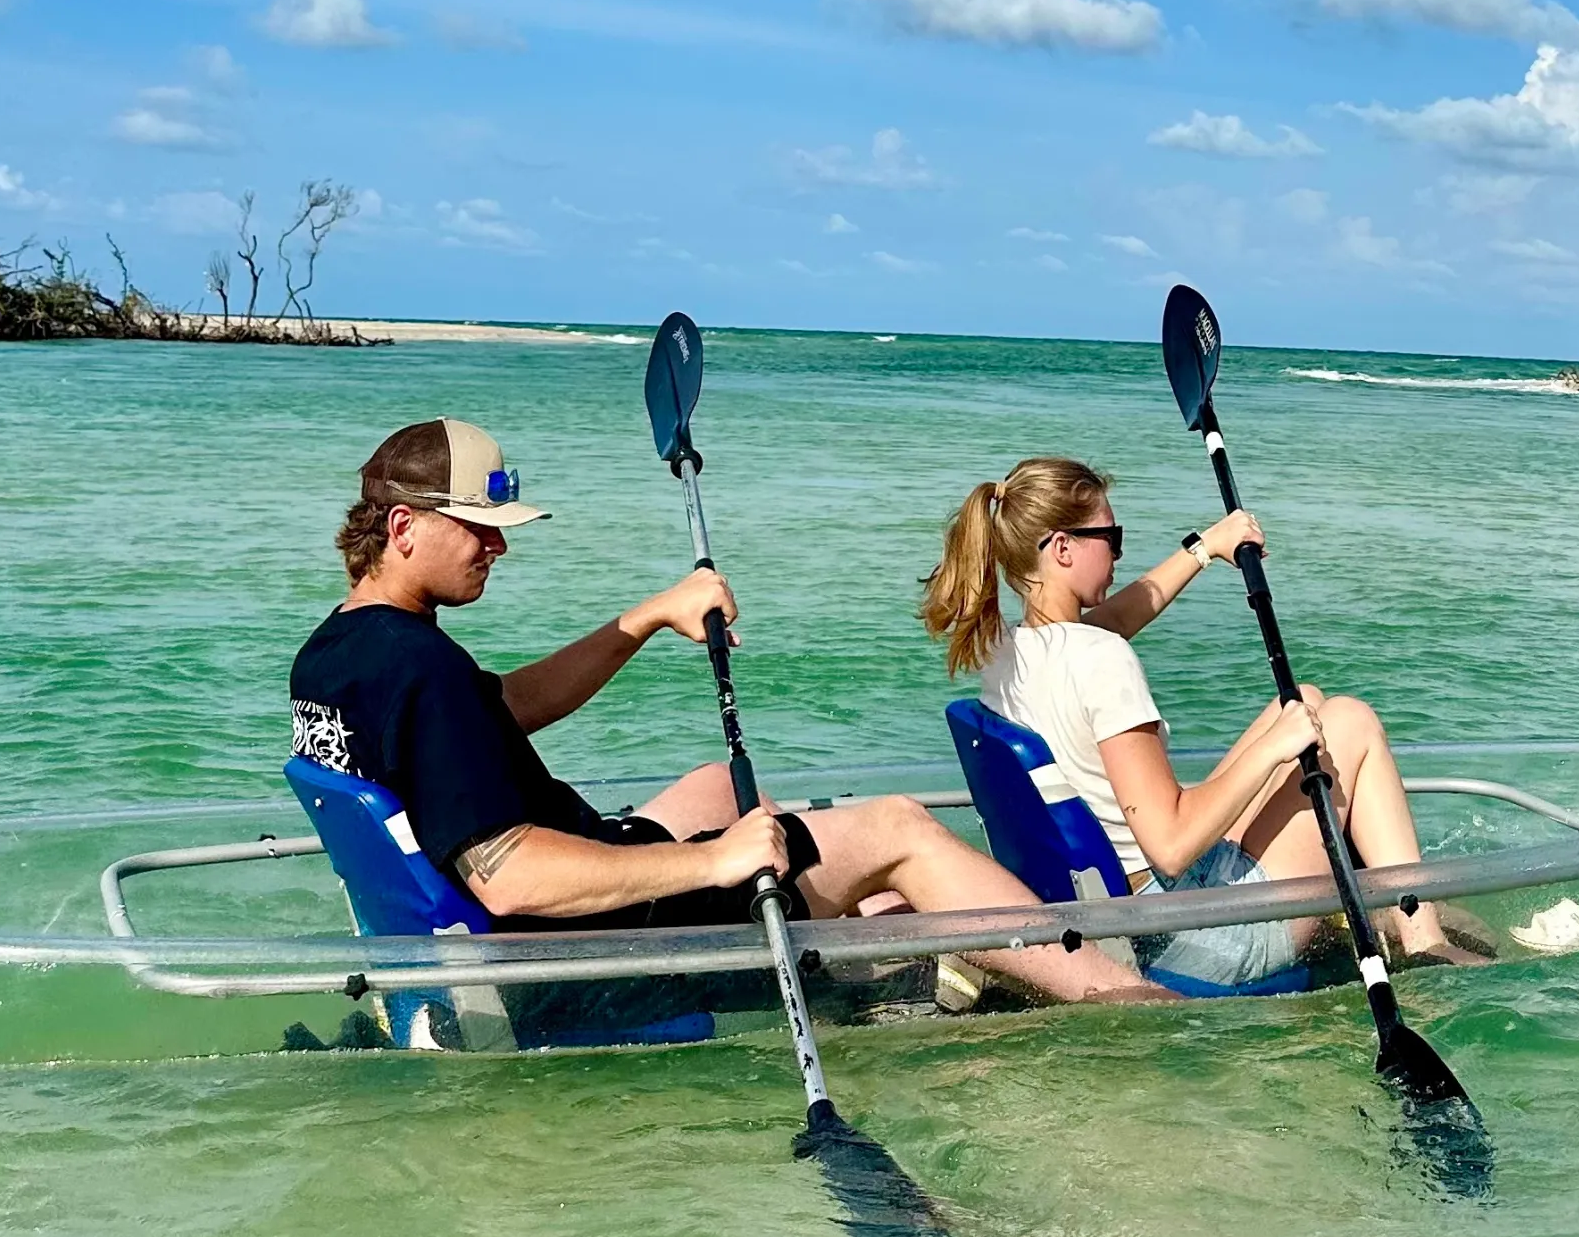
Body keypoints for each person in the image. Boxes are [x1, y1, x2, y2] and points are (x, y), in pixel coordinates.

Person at [290, 418, 1169, 1040]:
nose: (499, 549)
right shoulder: (422, 670)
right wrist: (718, 861)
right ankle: (1116, 997)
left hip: (522, 924)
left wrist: (646, 618)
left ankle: (878, 961)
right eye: (478, 530)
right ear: (404, 527)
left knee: (719, 782)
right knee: (899, 826)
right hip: (580, 957)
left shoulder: (342, 654)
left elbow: (506, 710)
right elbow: (513, 878)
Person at [919, 455, 1492, 994]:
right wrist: (1273, 751)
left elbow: (1111, 621)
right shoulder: (1100, 660)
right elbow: (1169, 848)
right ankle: (1424, 941)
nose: (1119, 555)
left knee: (1307, 700)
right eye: (1111, 539)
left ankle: (1389, 900)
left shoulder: (1003, 647)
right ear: (1063, 547)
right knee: (1350, 721)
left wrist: (1204, 548)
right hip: (1195, 936)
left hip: (1113, 908)